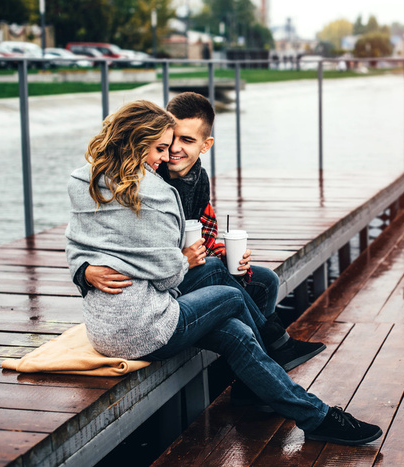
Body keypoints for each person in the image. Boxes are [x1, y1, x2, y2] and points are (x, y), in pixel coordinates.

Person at [65, 100, 383, 446]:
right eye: (160, 147)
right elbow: (168, 278)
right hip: (145, 327)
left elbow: (78, 245)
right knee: (230, 296)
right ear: (137, 142)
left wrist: (83, 269)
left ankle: (314, 416)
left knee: (236, 332)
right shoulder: (155, 194)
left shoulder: (85, 182)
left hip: (104, 326)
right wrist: (183, 259)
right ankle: (278, 359)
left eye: (177, 144)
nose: (166, 155)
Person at [73, 92, 325, 374]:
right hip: (156, 289)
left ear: (206, 145)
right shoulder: (150, 177)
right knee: (222, 277)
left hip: (181, 269)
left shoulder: (198, 179)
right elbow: (101, 236)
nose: (172, 151)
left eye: (186, 141)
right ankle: (278, 348)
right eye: (168, 142)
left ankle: (253, 375)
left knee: (265, 281)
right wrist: (84, 272)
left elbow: (201, 239)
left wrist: (230, 256)